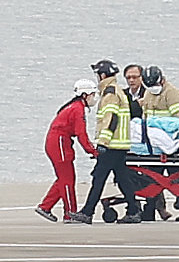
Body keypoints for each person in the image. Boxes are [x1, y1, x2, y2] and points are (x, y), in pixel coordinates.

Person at [70, 59, 140, 224]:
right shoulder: (117, 91)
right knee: (123, 179)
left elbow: (111, 119)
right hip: (120, 145)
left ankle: (87, 212)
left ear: (102, 75)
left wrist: (102, 142)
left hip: (112, 145)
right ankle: (134, 210)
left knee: (99, 178)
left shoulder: (110, 93)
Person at [36, 79, 100, 223]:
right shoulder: (78, 109)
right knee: (67, 180)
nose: (94, 97)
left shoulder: (73, 107)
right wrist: (93, 151)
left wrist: (90, 149)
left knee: (64, 178)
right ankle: (70, 213)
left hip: (57, 143)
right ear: (85, 94)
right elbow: (81, 134)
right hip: (60, 144)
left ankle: (46, 206)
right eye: (93, 94)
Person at [141, 65, 179, 220]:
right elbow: (145, 117)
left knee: (177, 178)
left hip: (171, 143)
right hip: (153, 146)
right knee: (152, 179)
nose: (153, 88)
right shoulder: (148, 92)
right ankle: (151, 210)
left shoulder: (172, 93)